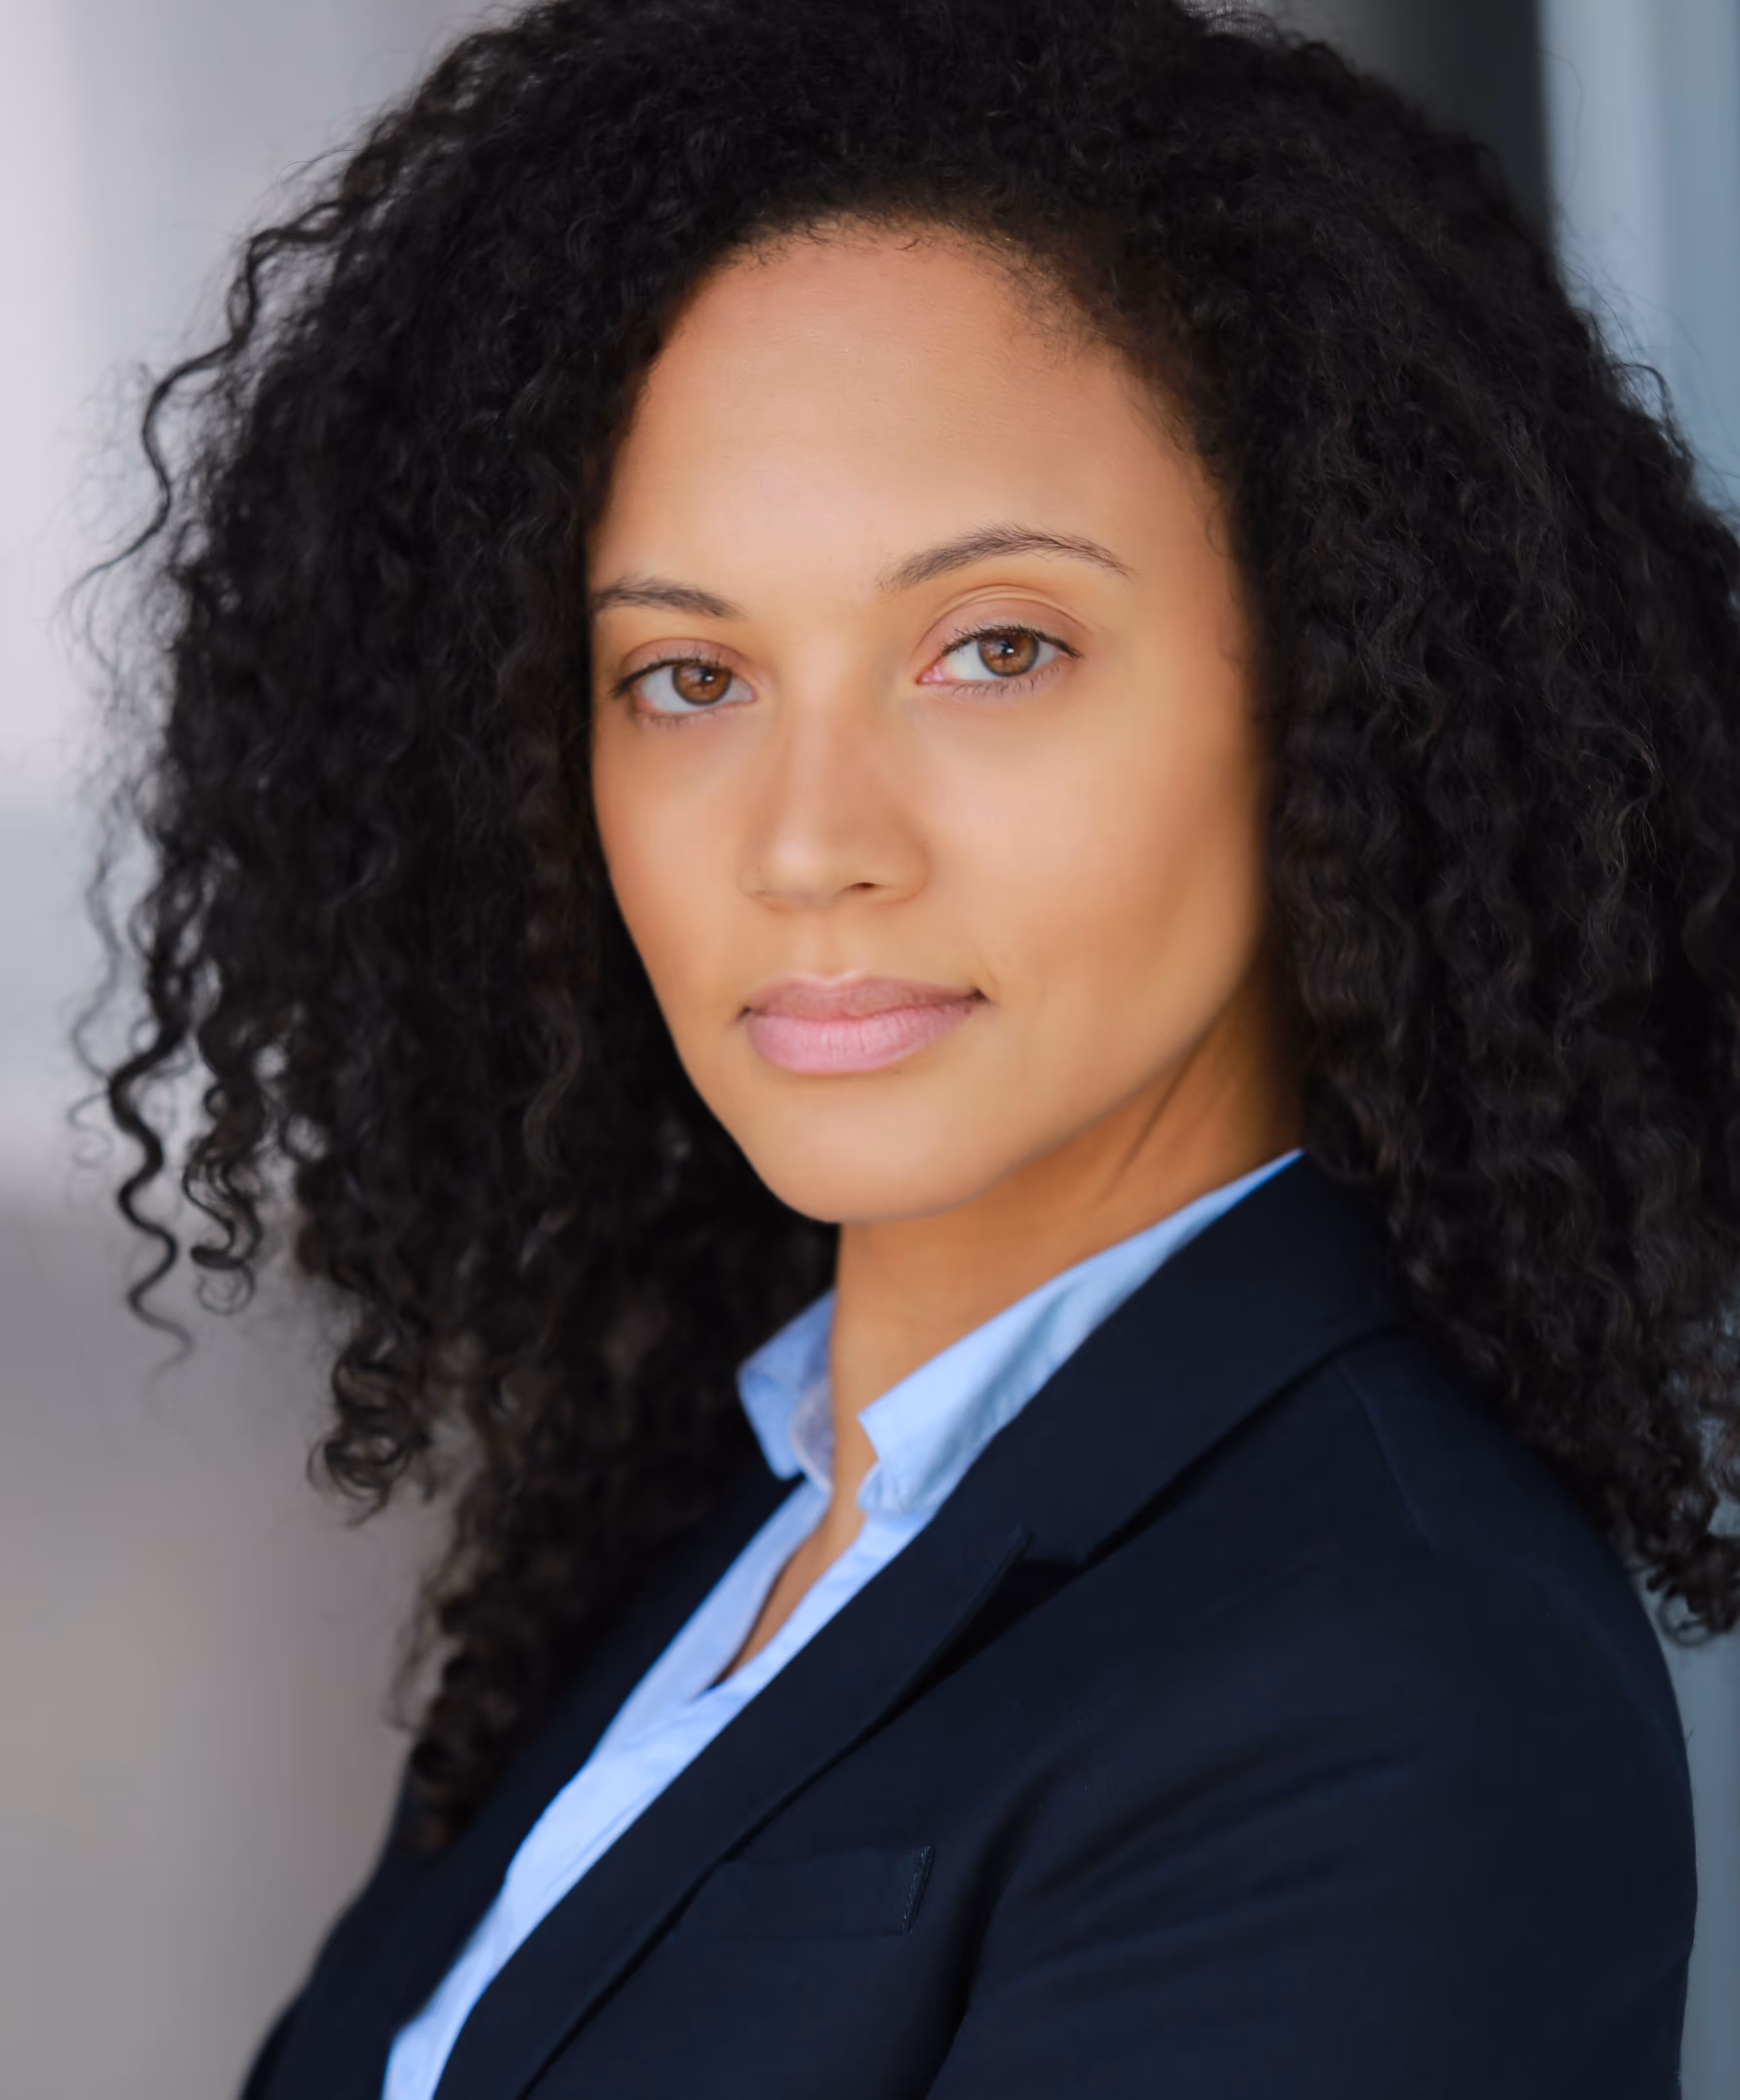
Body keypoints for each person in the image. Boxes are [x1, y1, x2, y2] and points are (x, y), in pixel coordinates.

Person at [78, 0, 1740, 2093]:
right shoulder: (743, 1530)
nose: (806, 844)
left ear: (1335, 692)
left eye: (994, 647)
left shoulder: (1387, 1686)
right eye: (685, 674)